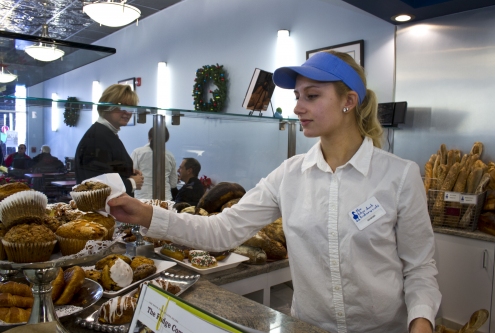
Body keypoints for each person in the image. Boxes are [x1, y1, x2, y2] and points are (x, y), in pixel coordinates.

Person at [108, 51, 441, 333]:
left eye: (312, 96)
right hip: (307, 327)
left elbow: (419, 267)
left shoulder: (399, 175)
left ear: (349, 101)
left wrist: (421, 323)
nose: (298, 108)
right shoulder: (290, 174)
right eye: (297, 96)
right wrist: (146, 214)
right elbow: (221, 230)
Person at [75, 84, 144, 196]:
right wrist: (131, 183)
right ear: (107, 106)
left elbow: (107, 169)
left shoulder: (104, 134)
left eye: (131, 108)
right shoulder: (98, 137)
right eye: (122, 107)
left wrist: (126, 170)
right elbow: (94, 185)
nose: (128, 113)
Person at [131, 127, 177, 200]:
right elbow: (173, 183)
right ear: (166, 139)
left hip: (143, 198)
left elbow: (131, 174)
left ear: (149, 137)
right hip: (165, 199)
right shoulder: (170, 156)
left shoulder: (138, 153)